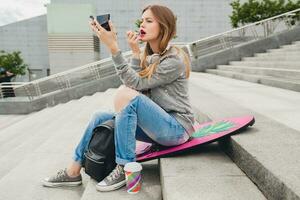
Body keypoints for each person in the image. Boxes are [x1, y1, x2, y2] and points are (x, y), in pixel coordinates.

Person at [42, 4, 195, 192]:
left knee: (125, 94)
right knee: (100, 116)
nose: (142, 25)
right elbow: (134, 83)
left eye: (149, 21)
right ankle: (73, 172)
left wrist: (114, 48)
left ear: (164, 26)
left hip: (176, 129)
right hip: (158, 126)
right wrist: (136, 53)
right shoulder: (150, 56)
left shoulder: (174, 59)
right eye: (142, 21)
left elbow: (135, 87)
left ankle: (124, 167)